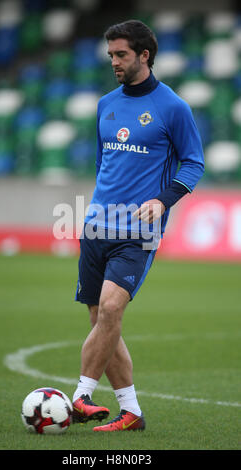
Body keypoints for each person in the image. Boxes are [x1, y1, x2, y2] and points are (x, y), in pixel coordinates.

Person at [72, 19, 205, 432]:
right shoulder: (105, 104)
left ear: (144, 55)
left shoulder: (173, 107)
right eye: (111, 54)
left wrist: (161, 201)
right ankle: (131, 413)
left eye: (121, 54)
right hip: (96, 226)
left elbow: (194, 162)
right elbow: (103, 164)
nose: (114, 61)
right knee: (101, 321)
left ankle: (81, 395)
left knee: (112, 308)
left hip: (138, 231)